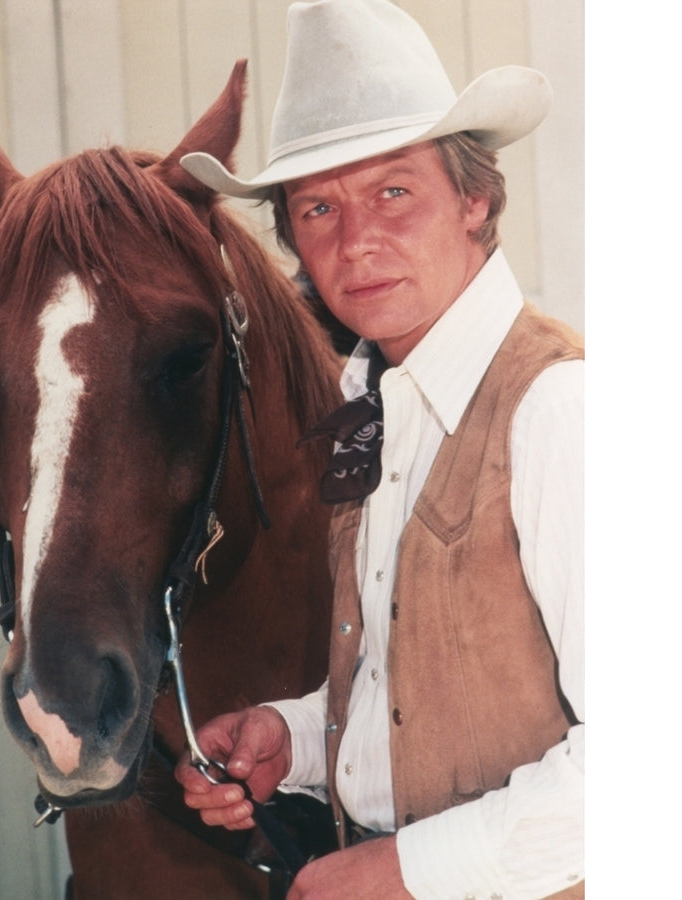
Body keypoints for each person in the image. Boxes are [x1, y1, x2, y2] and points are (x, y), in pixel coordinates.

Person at [175, 1, 583, 898]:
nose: (356, 242)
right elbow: (428, 688)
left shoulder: (558, 409)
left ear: (474, 198)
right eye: (318, 206)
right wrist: (299, 736)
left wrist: (404, 869)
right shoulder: (372, 408)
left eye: (394, 192)